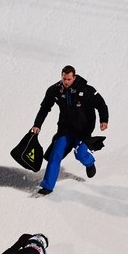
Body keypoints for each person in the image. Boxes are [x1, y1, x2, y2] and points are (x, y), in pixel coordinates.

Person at [31, 65, 109, 195]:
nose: (66, 82)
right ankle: (47, 186)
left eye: (68, 79)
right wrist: (37, 124)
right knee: (55, 154)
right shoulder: (55, 90)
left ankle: (89, 163)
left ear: (74, 77)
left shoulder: (86, 90)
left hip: (83, 129)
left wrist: (104, 120)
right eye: (64, 78)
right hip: (65, 129)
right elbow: (45, 108)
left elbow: (101, 104)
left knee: (80, 154)